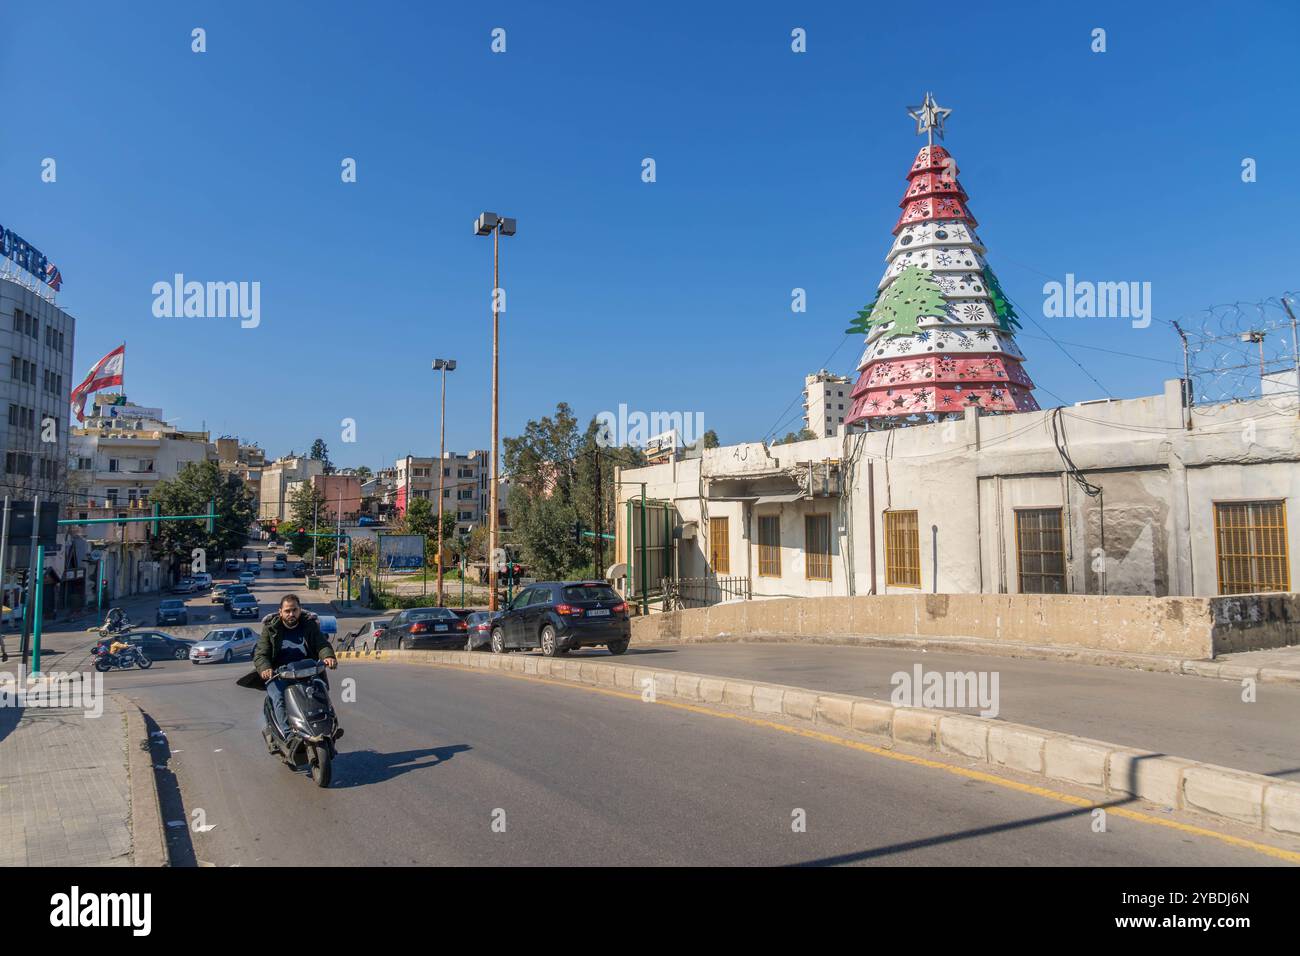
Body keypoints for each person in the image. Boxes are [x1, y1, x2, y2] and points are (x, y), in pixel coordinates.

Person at [254, 594, 337, 733]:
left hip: (308, 670)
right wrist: (265, 668)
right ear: (280, 612)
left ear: (300, 610)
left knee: (320, 690)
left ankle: (329, 725)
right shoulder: (270, 629)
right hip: (279, 674)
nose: (291, 614)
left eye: (294, 610)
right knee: (278, 697)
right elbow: (261, 653)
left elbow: (321, 644)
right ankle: (288, 734)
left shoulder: (309, 625)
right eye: (287, 611)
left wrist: (328, 656)